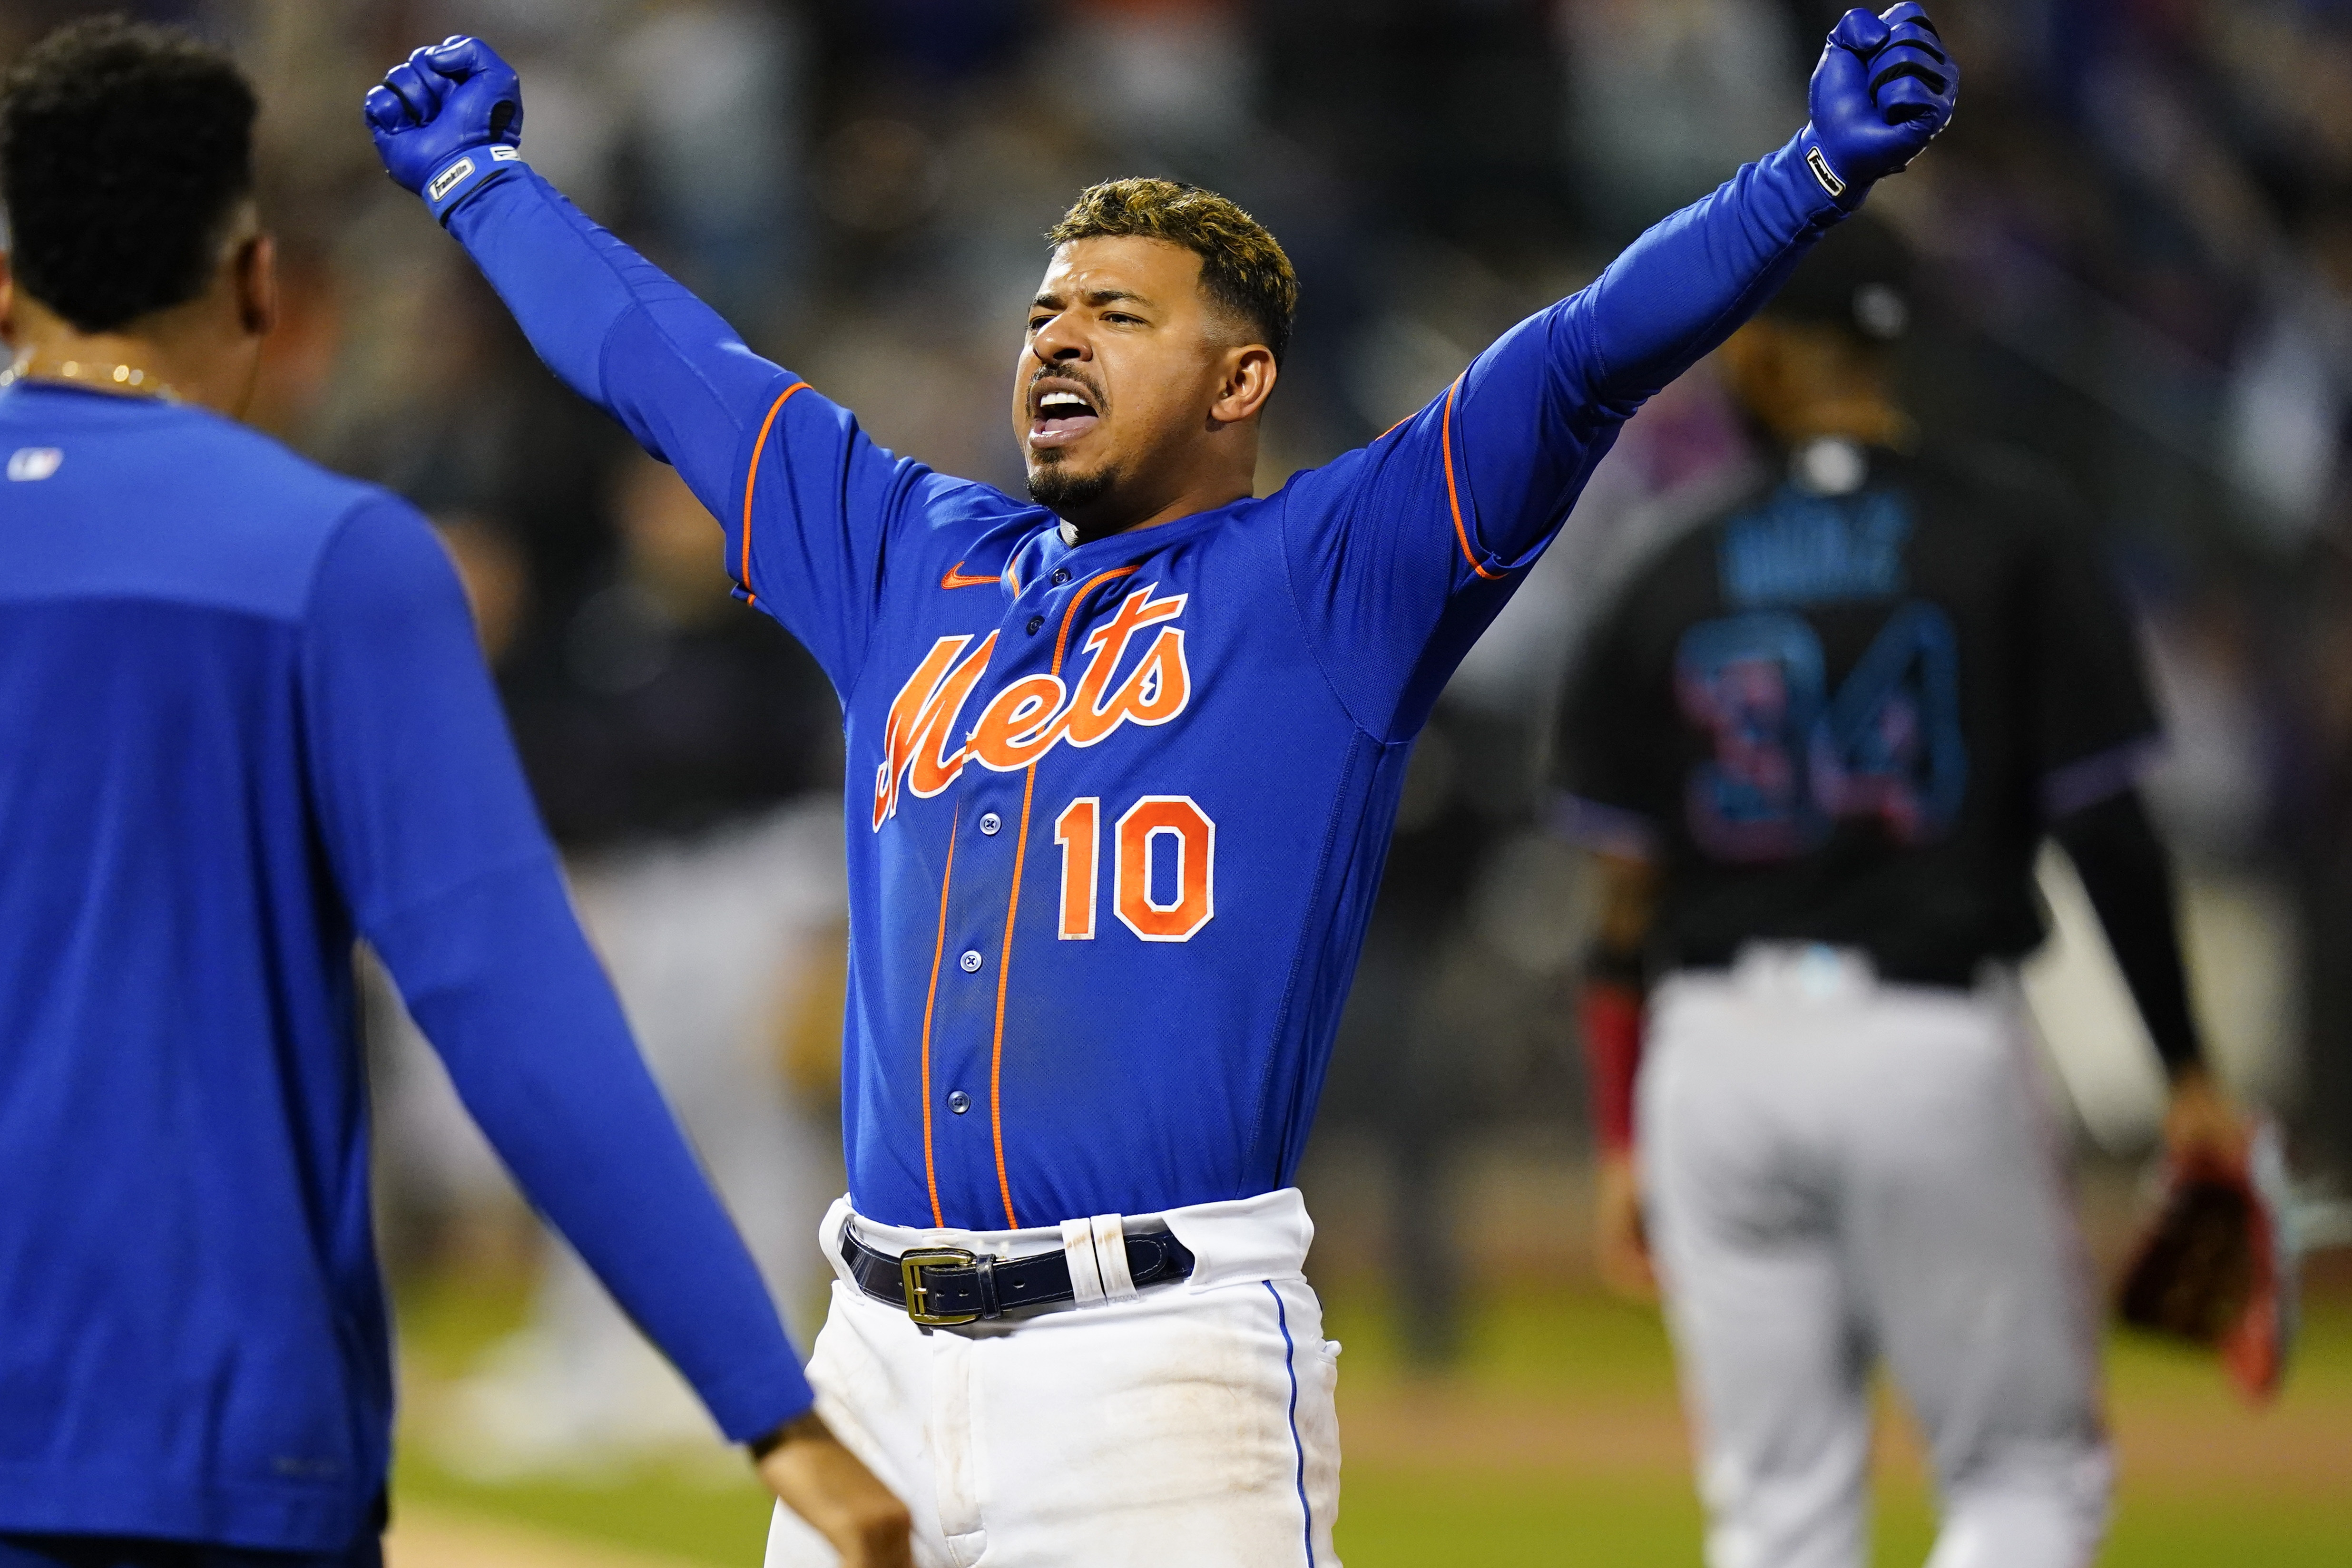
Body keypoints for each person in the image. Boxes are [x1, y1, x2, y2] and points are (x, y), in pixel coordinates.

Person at [362, 10, 1957, 1563]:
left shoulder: (1333, 577)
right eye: (1048, 310)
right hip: (871, 1360)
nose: (1055, 334)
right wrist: (483, 187)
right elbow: (668, 365)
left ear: (1241, 381)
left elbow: (1581, 359)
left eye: (1118, 314)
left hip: (1160, 1371)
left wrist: (1807, 173)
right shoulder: (907, 556)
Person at [0, 21, 907, 1568]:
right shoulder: (328, 558)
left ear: (9, 293)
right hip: (196, 1433)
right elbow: (508, 999)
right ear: (262, 288)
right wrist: (772, 1409)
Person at [1549, 217, 2245, 1568]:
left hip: (1713, 1055)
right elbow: (2104, 821)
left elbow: (1622, 894)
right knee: (2024, 1478)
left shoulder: (1661, 562)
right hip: (1925, 1037)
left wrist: (1623, 1130)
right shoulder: (2010, 526)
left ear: (1756, 352)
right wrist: (2187, 1068)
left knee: (1778, 1508)